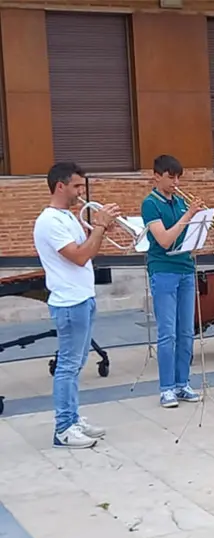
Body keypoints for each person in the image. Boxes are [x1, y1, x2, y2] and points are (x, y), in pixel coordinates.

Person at [33, 162, 119, 448]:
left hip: (83, 297)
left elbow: (90, 251)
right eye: (77, 187)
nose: (81, 192)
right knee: (68, 366)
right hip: (69, 302)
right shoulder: (50, 221)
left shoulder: (68, 217)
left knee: (77, 362)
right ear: (60, 186)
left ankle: (73, 417)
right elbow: (79, 257)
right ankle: (63, 428)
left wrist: (102, 230)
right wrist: (100, 225)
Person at [141, 155, 202, 408]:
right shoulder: (150, 204)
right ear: (157, 176)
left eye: (178, 177)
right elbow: (164, 240)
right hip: (163, 269)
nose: (175, 182)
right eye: (170, 177)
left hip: (186, 267)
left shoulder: (178, 202)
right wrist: (189, 215)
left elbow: (187, 238)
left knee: (186, 331)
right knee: (168, 333)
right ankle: (166, 388)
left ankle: (182, 383)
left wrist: (199, 231)